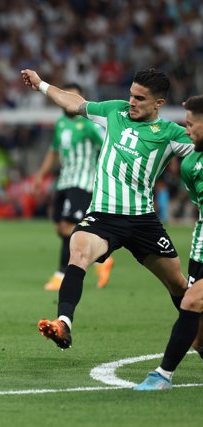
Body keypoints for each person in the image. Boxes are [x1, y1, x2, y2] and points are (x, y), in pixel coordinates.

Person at [21, 68, 194, 350]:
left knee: (177, 284)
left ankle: (197, 330)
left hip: (142, 221)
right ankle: (63, 323)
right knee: (77, 252)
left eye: (140, 98)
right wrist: (42, 85)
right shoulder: (115, 112)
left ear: (159, 103)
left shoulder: (171, 134)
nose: (132, 102)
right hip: (103, 216)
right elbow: (73, 101)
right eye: (131, 95)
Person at [135, 95, 203, 391]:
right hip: (199, 252)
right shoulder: (191, 165)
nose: (186, 131)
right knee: (199, 338)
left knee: (190, 300)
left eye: (191, 124)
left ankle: (162, 375)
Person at [33, 83, 114, 291]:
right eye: (66, 96)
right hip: (64, 181)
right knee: (61, 228)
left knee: (69, 227)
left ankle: (61, 274)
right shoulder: (60, 124)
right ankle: (100, 261)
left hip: (83, 182)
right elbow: (53, 151)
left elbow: (108, 145)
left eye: (74, 97)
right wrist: (41, 175)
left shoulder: (89, 125)